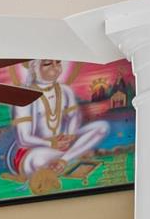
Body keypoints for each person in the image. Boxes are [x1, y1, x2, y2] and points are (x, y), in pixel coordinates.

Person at [7, 58, 111, 192]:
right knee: (36, 161)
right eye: (47, 64)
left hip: (63, 144)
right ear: (34, 68)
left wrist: (70, 135)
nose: (55, 67)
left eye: (58, 62)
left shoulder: (65, 90)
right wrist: (52, 144)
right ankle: (73, 155)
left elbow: (74, 117)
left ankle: (63, 161)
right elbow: (24, 139)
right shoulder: (24, 95)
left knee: (102, 127)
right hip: (36, 149)